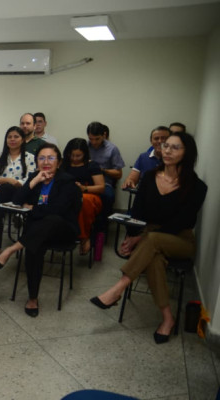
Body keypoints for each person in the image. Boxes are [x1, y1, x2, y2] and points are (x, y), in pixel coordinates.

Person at [90, 132, 207, 344]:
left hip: (181, 240)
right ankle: (168, 319)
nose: (167, 150)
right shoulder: (150, 177)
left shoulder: (197, 187)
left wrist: (140, 239)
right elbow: (137, 212)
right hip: (149, 237)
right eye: (166, 146)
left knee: (152, 240)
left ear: (187, 153)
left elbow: (182, 222)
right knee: (154, 260)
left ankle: (118, 288)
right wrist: (133, 235)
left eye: (175, 147)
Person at [0, 143, 81, 317]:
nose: (46, 162)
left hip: (63, 231)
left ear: (59, 162)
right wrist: (33, 182)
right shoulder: (35, 177)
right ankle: (33, 298)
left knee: (52, 219)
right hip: (36, 233)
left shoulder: (67, 181)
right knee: (34, 246)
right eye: (41, 158)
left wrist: (33, 208)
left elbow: (58, 210)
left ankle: (11, 249)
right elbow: (17, 200)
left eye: (50, 158)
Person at [0, 126, 36, 250]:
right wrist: (8, 180)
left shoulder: (29, 157)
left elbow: (29, 180)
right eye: (9, 137)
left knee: (0, 197)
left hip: (20, 193)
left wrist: (8, 182)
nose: (12, 139)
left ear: (23, 140)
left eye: (16, 137)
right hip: (2, 193)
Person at [61, 138, 105, 255]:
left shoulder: (92, 165)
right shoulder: (63, 164)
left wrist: (84, 188)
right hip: (68, 195)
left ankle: (84, 237)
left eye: (78, 156)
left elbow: (101, 187)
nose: (75, 158)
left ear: (84, 154)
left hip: (89, 195)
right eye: (72, 155)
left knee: (83, 201)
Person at [86, 121, 125, 243]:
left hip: (105, 183)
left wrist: (101, 170)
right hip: (86, 181)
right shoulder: (85, 146)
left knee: (107, 196)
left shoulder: (112, 149)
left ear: (104, 135)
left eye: (97, 139)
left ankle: (101, 232)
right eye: (91, 139)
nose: (94, 142)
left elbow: (118, 173)